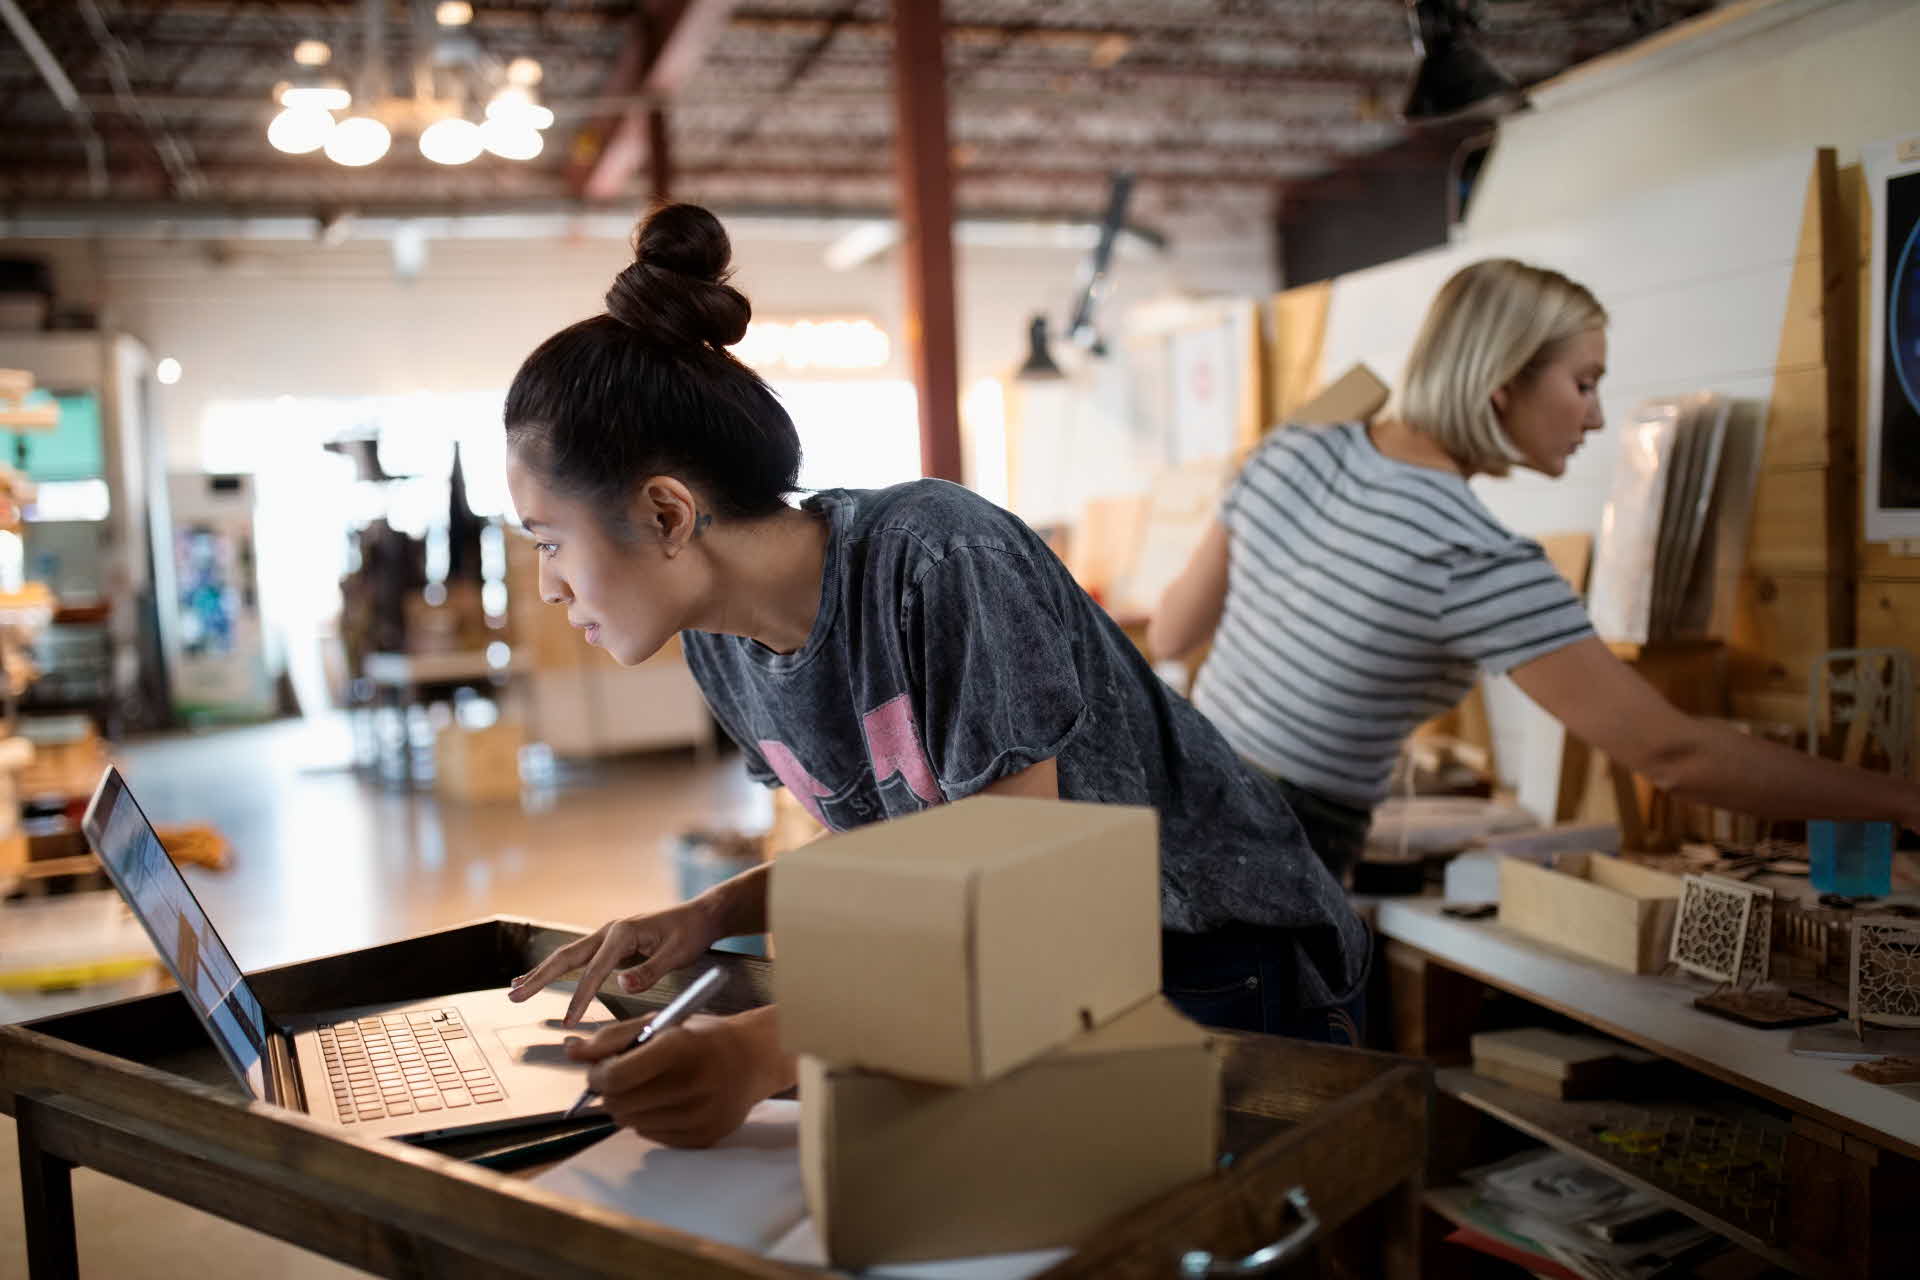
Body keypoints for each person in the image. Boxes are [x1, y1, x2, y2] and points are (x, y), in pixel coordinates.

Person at [501, 203, 1369, 1148]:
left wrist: (760, 1052)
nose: (547, 585)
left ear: (668, 515)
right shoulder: (720, 642)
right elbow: (913, 845)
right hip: (1052, 982)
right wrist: (708, 915)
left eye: (550, 542)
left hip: (1211, 967)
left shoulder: (936, 559)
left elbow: (1027, 902)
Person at [1149, 258, 1920, 878]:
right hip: (1273, 863)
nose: (1595, 415)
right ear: (1502, 381)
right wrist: (1899, 799)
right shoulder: (1472, 555)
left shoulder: (1295, 446)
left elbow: (1174, 632)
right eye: (1584, 383)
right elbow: (1673, 755)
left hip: (1167, 807)